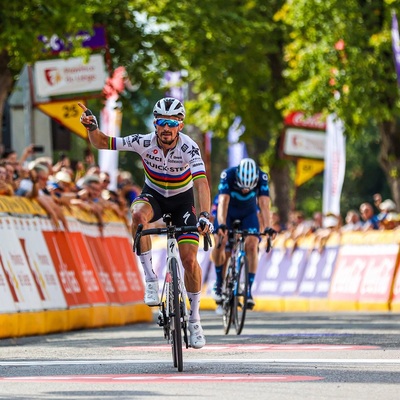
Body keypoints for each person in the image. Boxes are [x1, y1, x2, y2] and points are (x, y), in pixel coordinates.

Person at [78, 98, 213, 349]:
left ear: (180, 126)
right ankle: (150, 279)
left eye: (172, 123)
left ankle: (194, 320)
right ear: (155, 123)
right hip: (154, 196)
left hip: (183, 202)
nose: (166, 128)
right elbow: (103, 142)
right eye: (162, 122)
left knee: (189, 260)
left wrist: (204, 215)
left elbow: (201, 183)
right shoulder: (143, 141)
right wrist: (91, 128)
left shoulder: (190, 148)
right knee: (138, 215)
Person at [210, 158, 276, 310]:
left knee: (252, 244)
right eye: (243, 187)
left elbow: (264, 205)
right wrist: (221, 225)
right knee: (221, 239)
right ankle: (219, 284)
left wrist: (268, 227)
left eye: (249, 188)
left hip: (248, 212)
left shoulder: (262, 177)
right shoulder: (228, 175)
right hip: (228, 211)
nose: (246, 190)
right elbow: (223, 204)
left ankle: (248, 290)